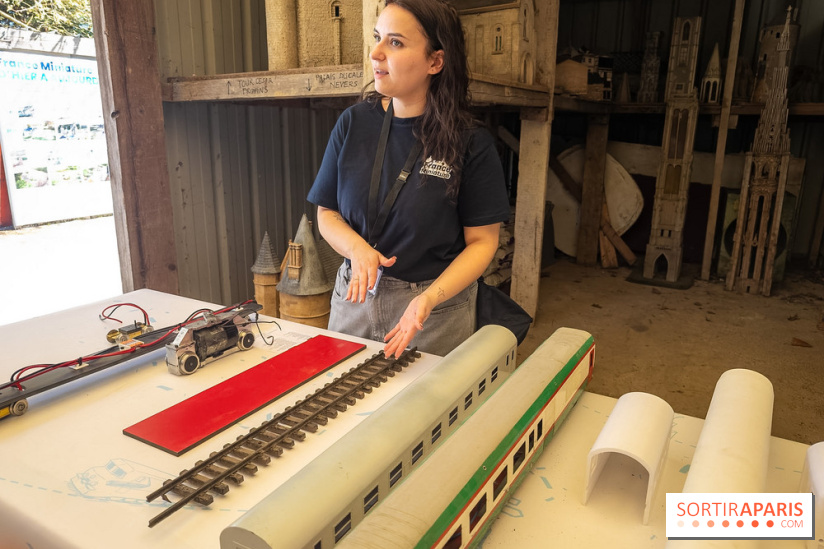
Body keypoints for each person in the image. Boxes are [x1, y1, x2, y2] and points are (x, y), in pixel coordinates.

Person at [307, 0, 510, 358]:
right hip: (353, 297)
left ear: (435, 61)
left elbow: (482, 242)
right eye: (377, 38)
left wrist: (429, 298)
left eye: (395, 42)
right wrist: (357, 249)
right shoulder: (353, 123)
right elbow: (327, 214)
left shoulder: (470, 141)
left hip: (432, 312)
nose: (376, 53)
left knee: (426, 411)